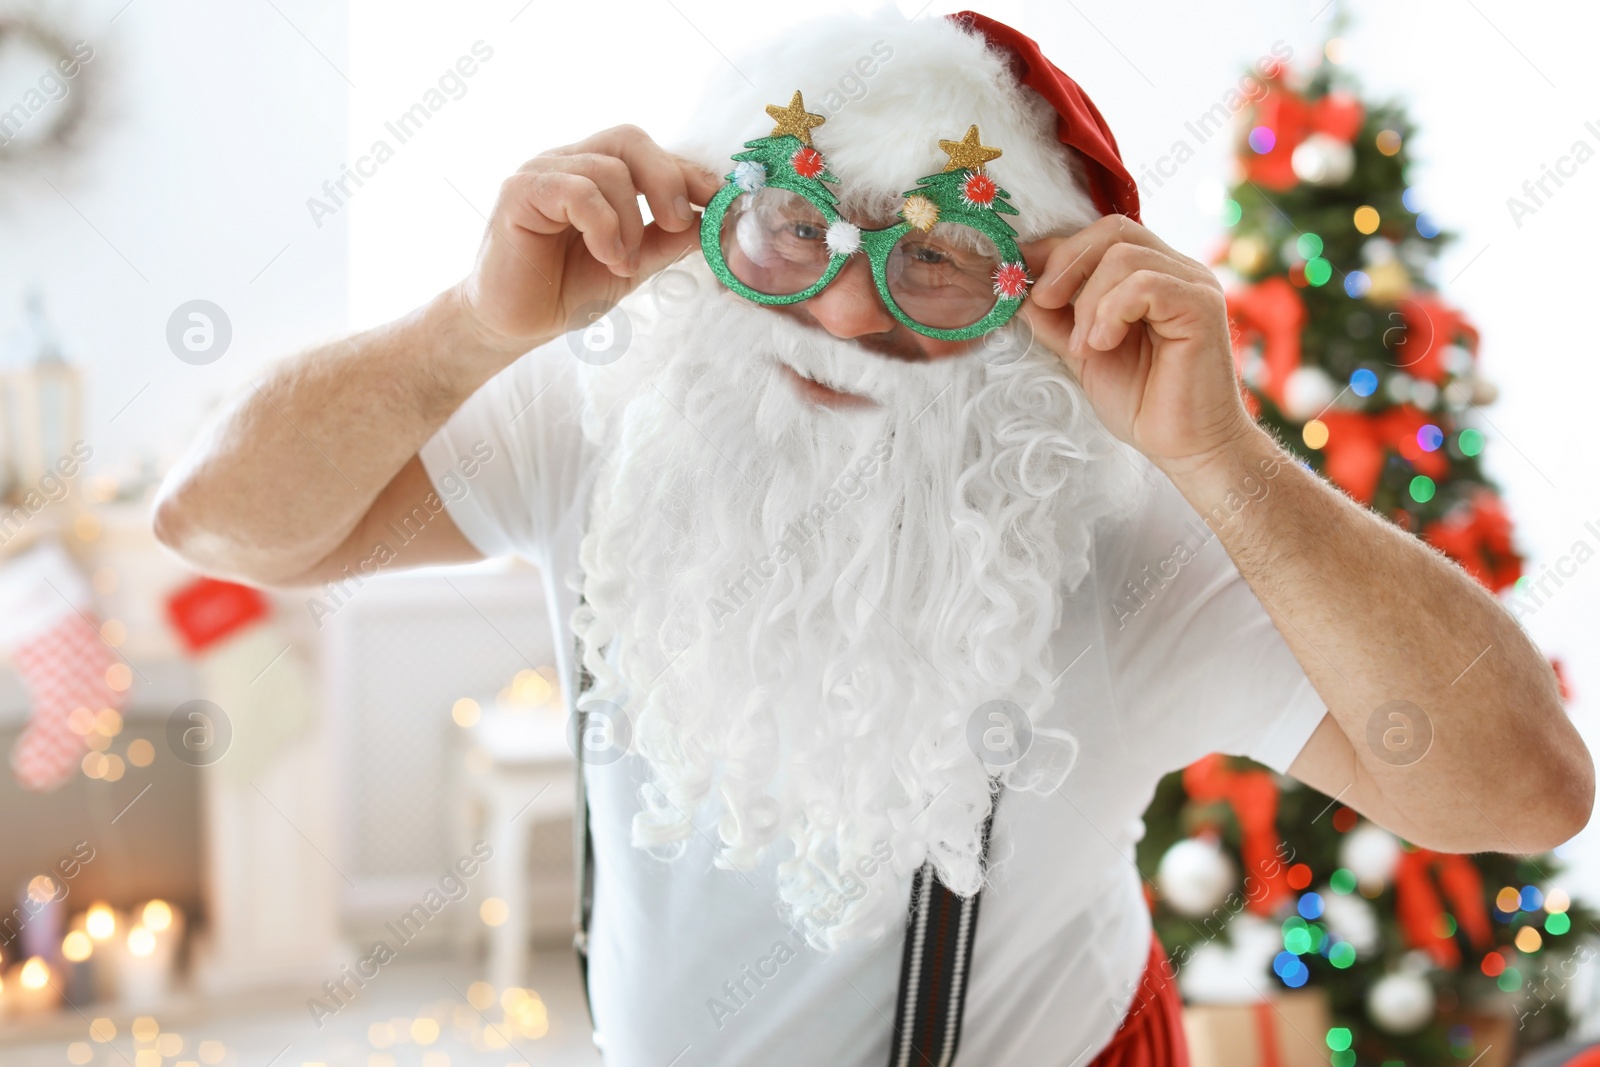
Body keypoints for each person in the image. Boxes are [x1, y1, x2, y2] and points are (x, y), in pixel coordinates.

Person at [153, 9, 1592, 1066]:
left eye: (940, 254)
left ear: (1037, 293)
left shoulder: (1117, 533)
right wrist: (469, 328)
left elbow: (1526, 792)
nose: (847, 315)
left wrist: (1222, 458)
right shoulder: (615, 420)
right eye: (795, 226)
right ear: (713, 222)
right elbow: (217, 521)